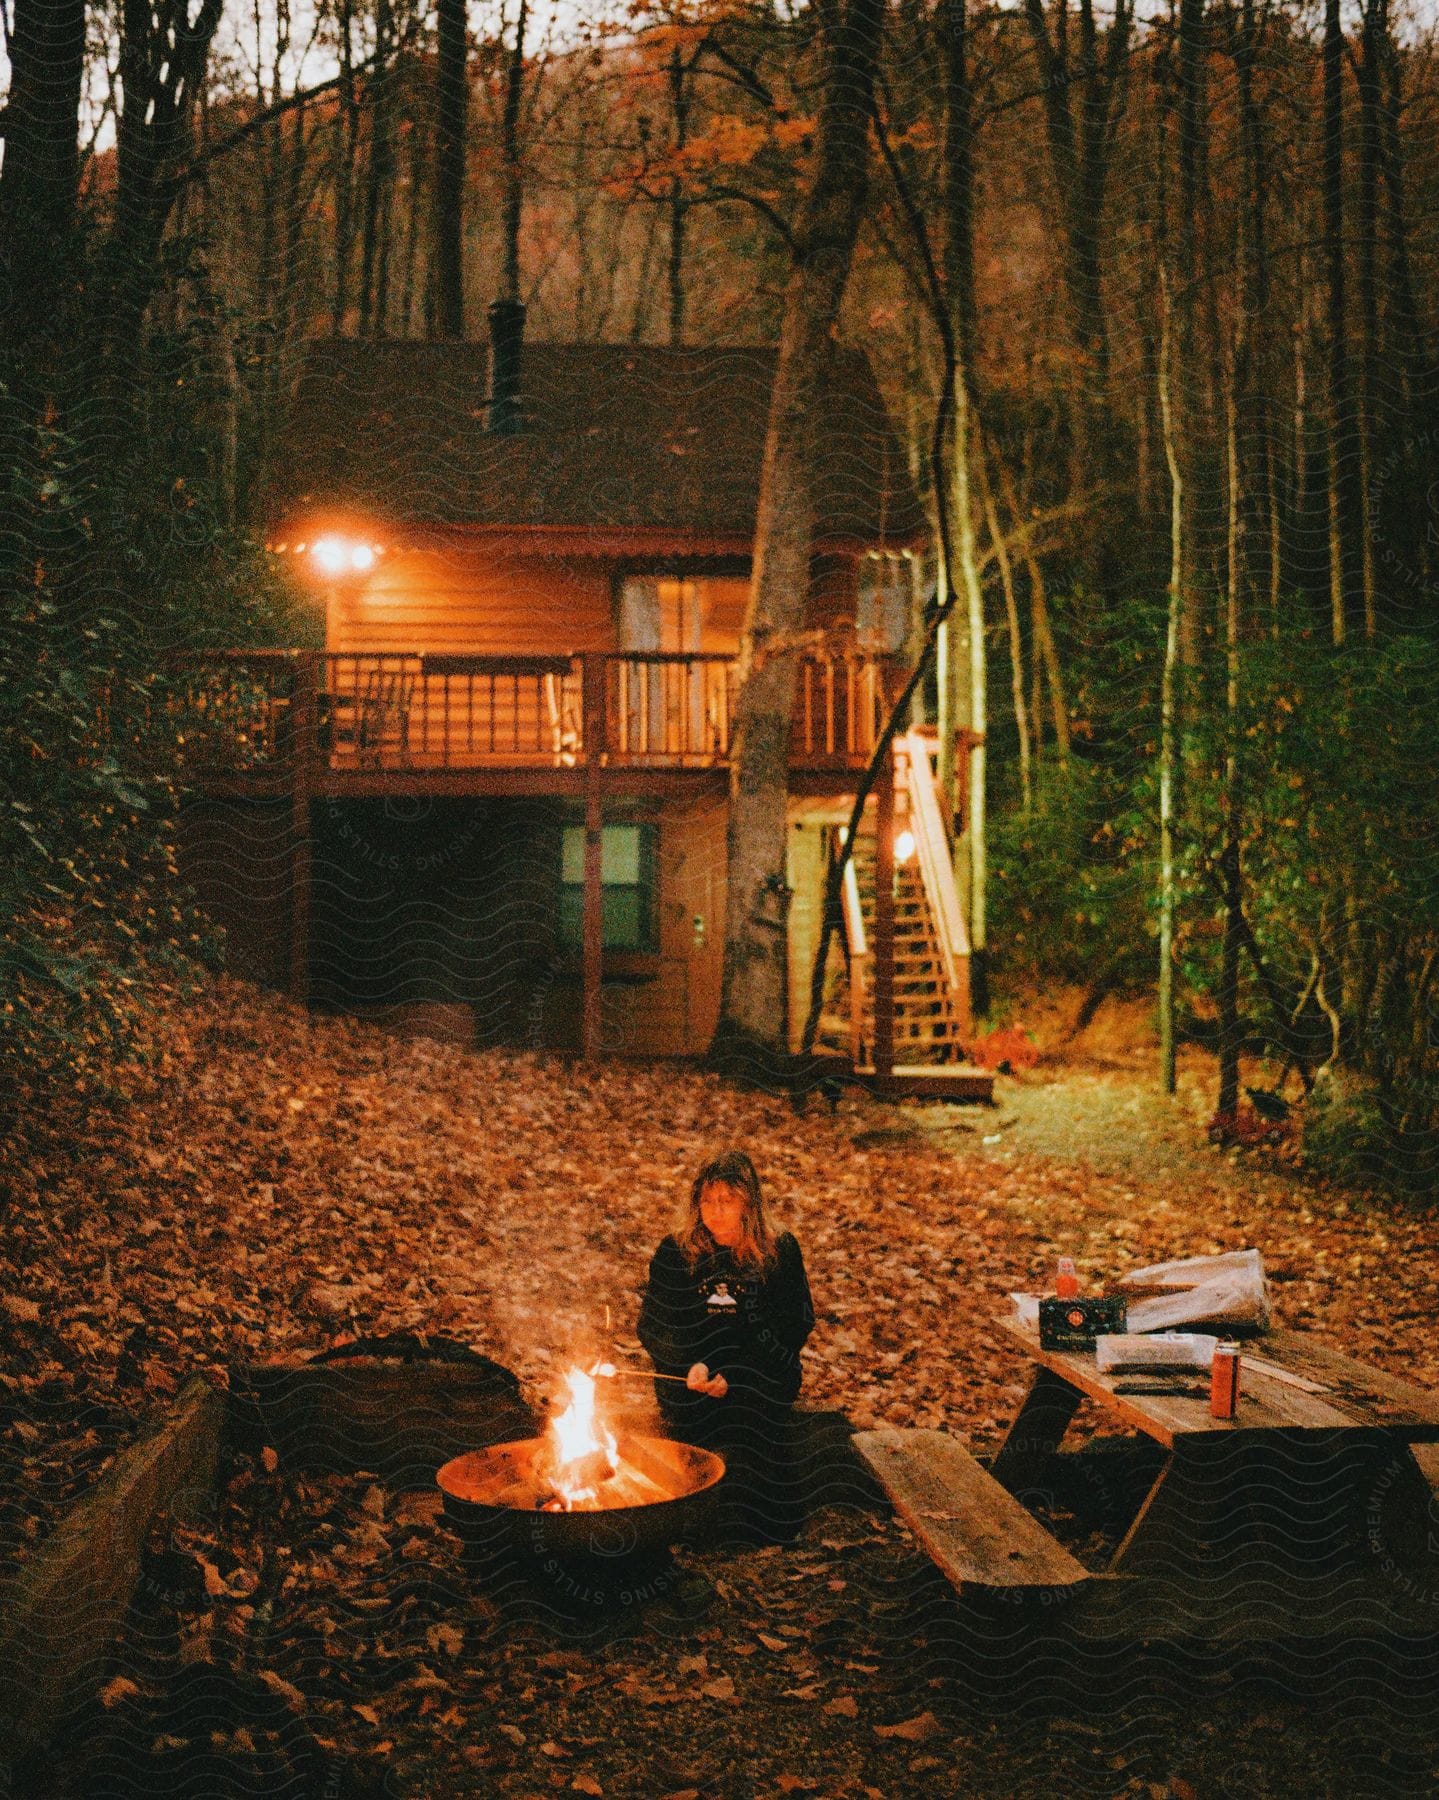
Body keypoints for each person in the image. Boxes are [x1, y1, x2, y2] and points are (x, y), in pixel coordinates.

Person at [637, 1150, 815, 1544]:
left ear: (749, 1206)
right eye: (706, 1201)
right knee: (691, 1419)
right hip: (690, 1375)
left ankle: (757, 1526)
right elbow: (656, 1321)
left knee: (747, 1416)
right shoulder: (676, 1252)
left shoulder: (779, 1252)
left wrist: (735, 1374)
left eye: (726, 1201)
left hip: (758, 1373)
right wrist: (688, 1364)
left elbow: (793, 1323)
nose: (714, 1212)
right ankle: (691, 1522)